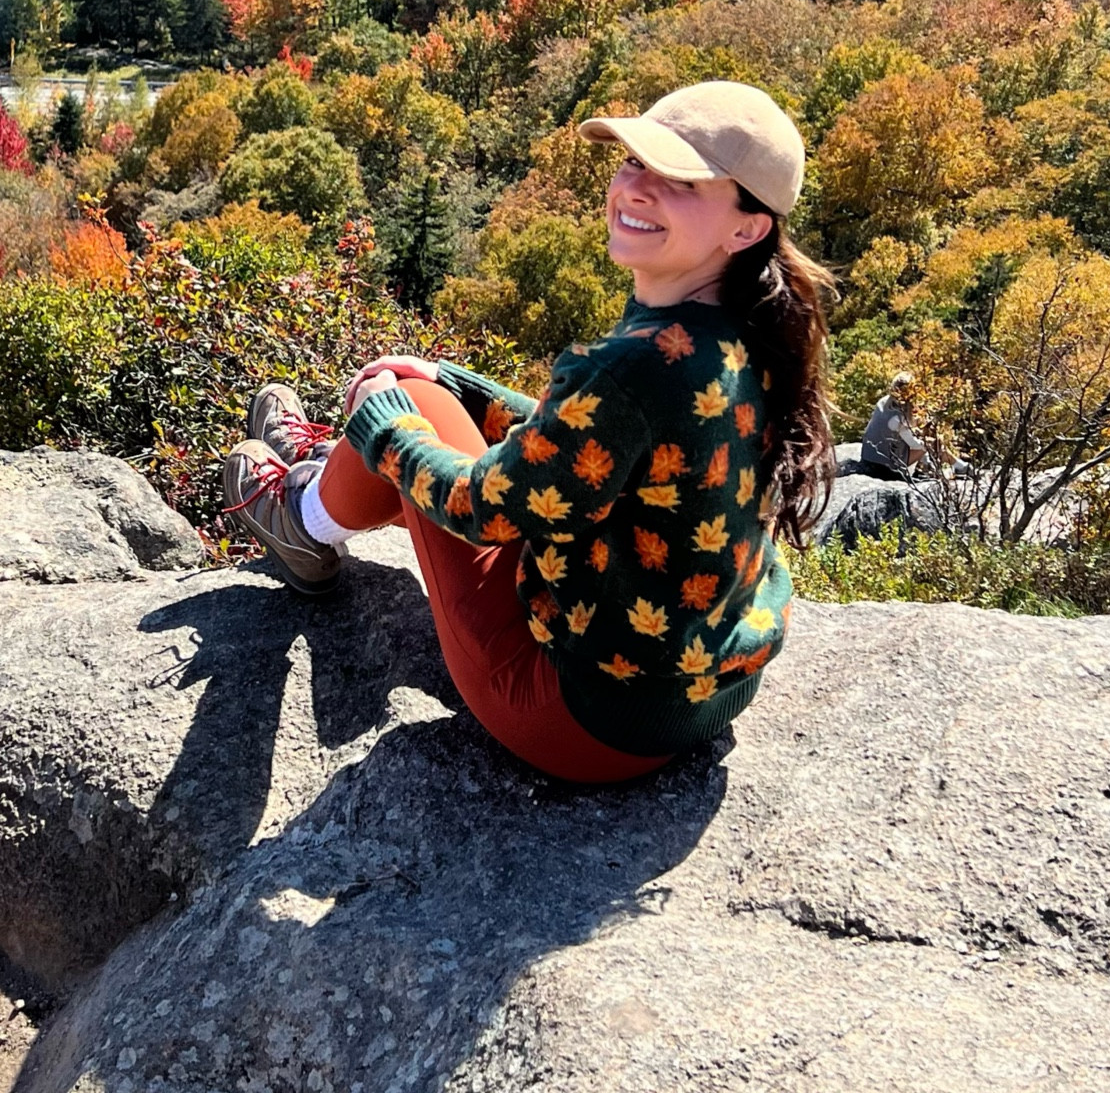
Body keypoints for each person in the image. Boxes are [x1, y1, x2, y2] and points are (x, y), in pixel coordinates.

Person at [222, 80, 836, 784]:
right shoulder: (749, 329)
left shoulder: (637, 368)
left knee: (390, 398)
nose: (637, 188)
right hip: (693, 691)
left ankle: (304, 520)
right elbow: (592, 449)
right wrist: (470, 390)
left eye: (680, 182)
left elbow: (483, 510)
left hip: (576, 721)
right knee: (420, 391)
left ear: (746, 227)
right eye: (635, 162)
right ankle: (328, 471)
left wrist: (382, 424)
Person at [859, 372, 926, 482]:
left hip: (868, 458)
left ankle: (957, 465)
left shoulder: (883, 402)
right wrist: (926, 441)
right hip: (885, 467)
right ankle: (954, 466)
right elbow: (913, 444)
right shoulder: (898, 417)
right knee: (929, 445)